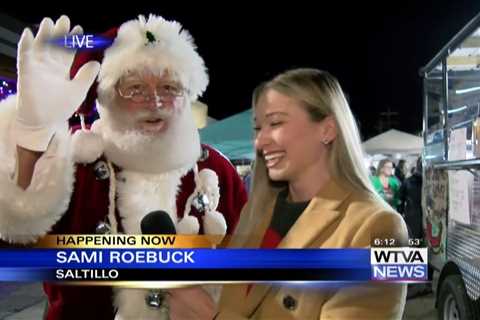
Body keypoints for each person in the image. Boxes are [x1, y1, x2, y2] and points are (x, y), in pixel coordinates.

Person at [0, 15, 247, 319]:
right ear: (107, 94)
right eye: (135, 88)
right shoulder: (73, 164)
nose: (155, 100)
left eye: (169, 86)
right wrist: (31, 139)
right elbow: (11, 247)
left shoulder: (217, 171)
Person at [211, 68, 408, 319]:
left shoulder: (383, 227)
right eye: (259, 128)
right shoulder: (257, 211)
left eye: (276, 123)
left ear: (327, 130)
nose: (260, 142)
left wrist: (207, 313)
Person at [399, 157, 423, 240]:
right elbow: (400, 200)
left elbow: (401, 200)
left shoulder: (407, 182)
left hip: (414, 216)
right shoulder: (408, 182)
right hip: (413, 217)